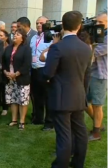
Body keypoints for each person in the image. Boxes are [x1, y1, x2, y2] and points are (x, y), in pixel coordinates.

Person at [44, 11, 91, 168]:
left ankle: (60, 165)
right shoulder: (86, 48)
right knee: (80, 132)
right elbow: (87, 75)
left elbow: (47, 73)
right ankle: (78, 163)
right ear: (79, 26)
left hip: (61, 97)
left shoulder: (58, 48)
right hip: (78, 95)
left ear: (63, 26)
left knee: (64, 135)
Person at [2, 29, 31, 130]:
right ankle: (14, 120)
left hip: (21, 78)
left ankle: (22, 121)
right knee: (13, 99)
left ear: (22, 38)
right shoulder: (8, 48)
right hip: (9, 78)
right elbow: (3, 62)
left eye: (17, 34)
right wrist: (6, 72)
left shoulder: (26, 49)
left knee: (22, 100)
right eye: (14, 34)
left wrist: (16, 74)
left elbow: (27, 64)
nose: (14, 36)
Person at [86, 11, 107, 141]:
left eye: (101, 22)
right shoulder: (95, 34)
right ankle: (98, 124)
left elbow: (95, 53)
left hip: (100, 74)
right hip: (89, 72)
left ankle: (96, 132)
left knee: (97, 104)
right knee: (84, 102)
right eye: (97, 22)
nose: (98, 25)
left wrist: (88, 45)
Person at [30, 16, 53, 130]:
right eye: (37, 23)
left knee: (48, 97)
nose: (39, 25)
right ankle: (38, 118)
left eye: (41, 23)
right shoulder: (34, 37)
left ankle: (49, 122)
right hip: (34, 70)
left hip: (45, 69)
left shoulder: (51, 37)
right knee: (37, 96)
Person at [0, 30, 9, 116]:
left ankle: (5, 108)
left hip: (5, 71)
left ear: (6, 37)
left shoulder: (8, 47)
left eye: (1, 35)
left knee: (4, 90)